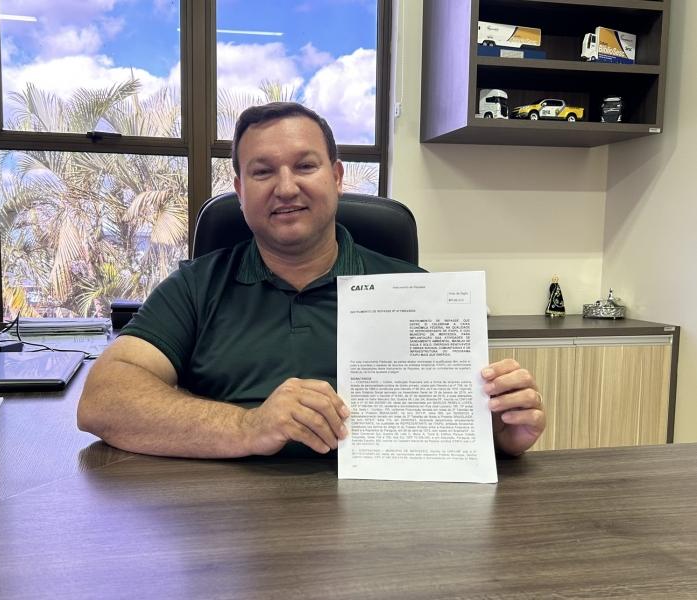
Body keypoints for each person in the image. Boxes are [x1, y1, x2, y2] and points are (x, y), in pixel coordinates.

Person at [77, 102, 545, 458]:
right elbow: (103, 400)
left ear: (337, 177)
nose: (286, 188)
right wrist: (248, 427)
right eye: (262, 171)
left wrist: (500, 431)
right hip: (231, 527)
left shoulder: (415, 290)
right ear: (240, 190)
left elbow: (453, 427)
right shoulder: (196, 287)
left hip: (380, 523)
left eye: (305, 166)